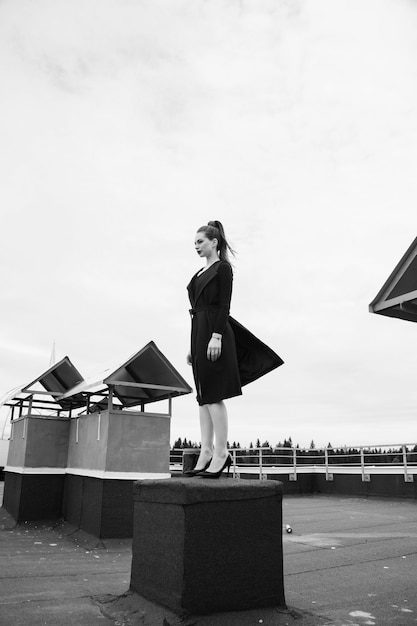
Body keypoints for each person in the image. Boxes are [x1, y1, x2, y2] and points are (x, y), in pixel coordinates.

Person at [186, 220, 284, 479]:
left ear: (214, 242)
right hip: (198, 332)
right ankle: (205, 451)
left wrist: (216, 336)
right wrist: (192, 346)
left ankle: (221, 453)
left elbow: (222, 306)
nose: (196, 246)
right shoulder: (197, 275)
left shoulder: (223, 269)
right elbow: (196, 312)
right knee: (202, 396)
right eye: (194, 243)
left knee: (214, 393)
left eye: (200, 242)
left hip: (214, 332)